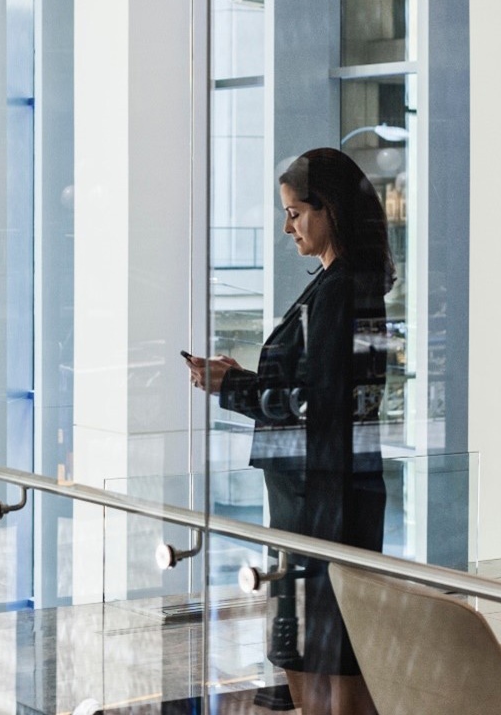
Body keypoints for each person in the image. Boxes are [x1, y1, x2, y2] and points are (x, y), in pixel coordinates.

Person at [187, 147, 394, 715]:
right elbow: (318, 390)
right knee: (316, 651)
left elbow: (314, 405)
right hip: (319, 494)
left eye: (296, 212)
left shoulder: (341, 290)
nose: (288, 226)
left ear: (328, 211)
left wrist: (229, 389)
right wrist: (243, 379)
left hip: (320, 501)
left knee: (320, 654)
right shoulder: (342, 285)